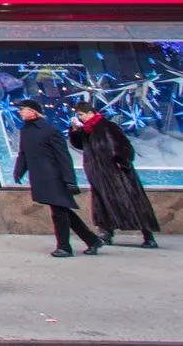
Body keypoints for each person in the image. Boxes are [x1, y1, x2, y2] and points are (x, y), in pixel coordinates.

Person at [12, 99, 105, 257]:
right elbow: (23, 153)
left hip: (55, 177)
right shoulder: (25, 131)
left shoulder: (49, 131)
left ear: (33, 112)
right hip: (40, 177)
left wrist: (70, 180)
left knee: (59, 213)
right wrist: (19, 170)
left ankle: (64, 247)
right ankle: (92, 240)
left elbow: (64, 157)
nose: (20, 112)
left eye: (23, 109)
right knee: (63, 211)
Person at [69, 101, 160, 248]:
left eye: (81, 115)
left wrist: (121, 161)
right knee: (102, 203)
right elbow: (80, 145)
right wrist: (75, 131)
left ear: (90, 113)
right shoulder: (86, 130)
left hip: (117, 173)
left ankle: (148, 234)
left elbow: (125, 146)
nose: (80, 118)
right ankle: (106, 232)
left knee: (132, 202)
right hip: (98, 173)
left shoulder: (107, 126)